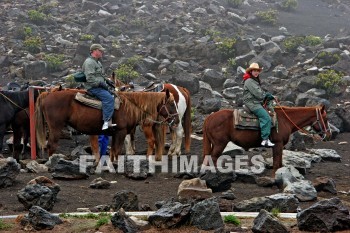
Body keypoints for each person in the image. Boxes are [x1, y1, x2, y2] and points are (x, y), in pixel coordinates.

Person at [82, 44, 116, 130]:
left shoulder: (98, 62)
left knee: (115, 94)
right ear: (94, 51)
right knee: (109, 99)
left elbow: (101, 74)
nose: (102, 52)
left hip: (99, 86)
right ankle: (106, 122)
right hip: (93, 87)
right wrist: (100, 83)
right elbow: (90, 78)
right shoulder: (89, 62)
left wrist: (107, 80)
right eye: (100, 50)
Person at [242, 62, 275, 147]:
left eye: (257, 71)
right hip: (252, 103)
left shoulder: (253, 80)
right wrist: (267, 95)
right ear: (251, 72)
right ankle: (265, 139)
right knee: (266, 117)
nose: (256, 72)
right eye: (254, 70)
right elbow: (258, 94)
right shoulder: (249, 81)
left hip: (255, 102)